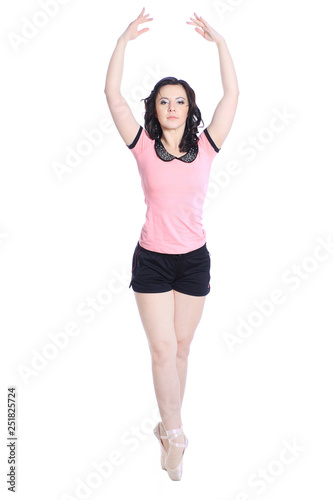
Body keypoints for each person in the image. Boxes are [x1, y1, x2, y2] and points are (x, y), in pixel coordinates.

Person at [104, 7, 239, 481]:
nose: (172, 108)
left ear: (189, 107)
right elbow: (113, 97)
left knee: (182, 349)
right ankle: (177, 436)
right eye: (164, 101)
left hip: (194, 260)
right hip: (153, 261)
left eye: (179, 101)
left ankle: (166, 428)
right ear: (156, 109)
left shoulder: (207, 146)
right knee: (162, 349)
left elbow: (233, 95)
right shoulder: (142, 144)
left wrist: (220, 43)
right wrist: (122, 42)